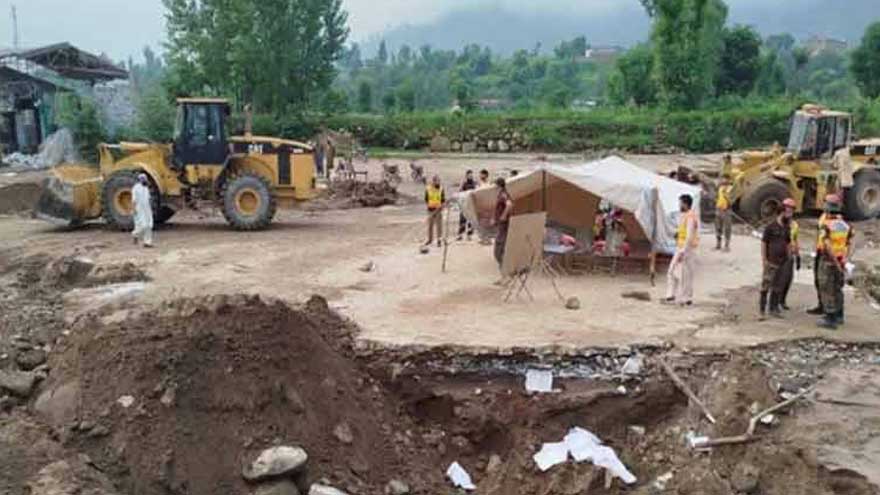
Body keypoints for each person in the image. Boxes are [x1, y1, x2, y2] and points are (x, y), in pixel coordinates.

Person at [816, 195, 853, 330]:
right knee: (838, 288)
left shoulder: (826, 225)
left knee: (827, 287)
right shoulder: (845, 225)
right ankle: (839, 315)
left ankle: (830, 317)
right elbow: (849, 243)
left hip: (828, 260)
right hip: (841, 260)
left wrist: (835, 262)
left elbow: (827, 244)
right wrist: (844, 260)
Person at [664, 194, 699, 306]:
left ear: (685, 204)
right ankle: (674, 295)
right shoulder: (687, 216)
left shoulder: (690, 217)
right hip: (683, 247)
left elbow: (689, 235)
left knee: (682, 273)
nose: (679, 205)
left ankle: (684, 297)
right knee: (676, 272)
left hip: (685, 248)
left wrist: (684, 250)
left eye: (680, 203)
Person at [759, 204, 791, 320]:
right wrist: (764, 260)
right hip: (771, 261)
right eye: (786, 213)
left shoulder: (787, 228)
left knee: (778, 286)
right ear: (781, 213)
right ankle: (762, 311)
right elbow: (764, 243)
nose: (788, 215)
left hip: (783, 262)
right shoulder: (770, 227)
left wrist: (789, 257)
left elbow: (788, 243)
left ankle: (773, 309)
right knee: (765, 286)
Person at [807, 198, 834, 315]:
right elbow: (818, 233)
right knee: (818, 280)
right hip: (820, 251)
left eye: (827, 203)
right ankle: (821, 304)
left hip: (829, 254)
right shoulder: (823, 217)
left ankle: (829, 308)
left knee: (827, 282)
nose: (825, 205)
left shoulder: (834, 221)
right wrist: (815, 248)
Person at [778, 198, 801, 310]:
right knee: (778, 279)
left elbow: (795, 239)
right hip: (779, 255)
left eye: (791, 209)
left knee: (788, 279)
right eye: (787, 208)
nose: (789, 211)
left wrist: (797, 254)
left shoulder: (794, 225)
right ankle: (775, 302)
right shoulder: (777, 224)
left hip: (790, 254)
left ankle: (782, 301)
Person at [491, 177, 514, 271]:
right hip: (501, 223)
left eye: (496, 185)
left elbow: (509, 205)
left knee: (499, 248)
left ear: (499, 186)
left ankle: (504, 267)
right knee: (500, 246)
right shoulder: (501, 194)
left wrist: (504, 216)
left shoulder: (504, 194)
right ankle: (503, 267)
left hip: (503, 224)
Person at [132, 173, 154, 248]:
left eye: (145, 179)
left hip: (147, 209)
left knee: (149, 225)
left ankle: (147, 242)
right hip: (139, 208)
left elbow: (148, 199)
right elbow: (134, 200)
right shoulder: (136, 188)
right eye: (143, 179)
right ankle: (135, 234)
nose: (145, 180)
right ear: (140, 180)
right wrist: (134, 209)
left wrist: (150, 209)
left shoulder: (146, 188)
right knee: (143, 225)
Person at [424, 175, 445, 247]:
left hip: (438, 210)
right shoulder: (428, 188)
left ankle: (439, 240)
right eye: (437, 181)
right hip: (430, 210)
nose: (438, 182)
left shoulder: (441, 189)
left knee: (439, 226)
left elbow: (443, 200)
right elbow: (426, 199)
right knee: (430, 226)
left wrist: (441, 207)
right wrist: (430, 206)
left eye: (439, 181)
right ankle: (430, 240)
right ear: (433, 181)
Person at [457, 170, 477, 241]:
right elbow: (459, 192)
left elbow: (476, 193)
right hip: (464, 205)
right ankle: (460, 235)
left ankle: (469, 235)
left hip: (471, 205)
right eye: (469, 175)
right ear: (466, 176)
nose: (470, 176)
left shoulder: (474, 184)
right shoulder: (464, 183)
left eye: (471, 175)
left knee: (471, 221)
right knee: (462, 220)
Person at [714, 176, 733, 251]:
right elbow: (717, 197)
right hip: (719, 210)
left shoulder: (731, 189)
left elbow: (732, 201)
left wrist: (726, 197)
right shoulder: (720, 188)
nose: (723, 180)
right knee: (718, 227)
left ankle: (727, 246)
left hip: (727, 211)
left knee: (727, 228)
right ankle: (718, 244)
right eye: (722, 179)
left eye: (725, 179)